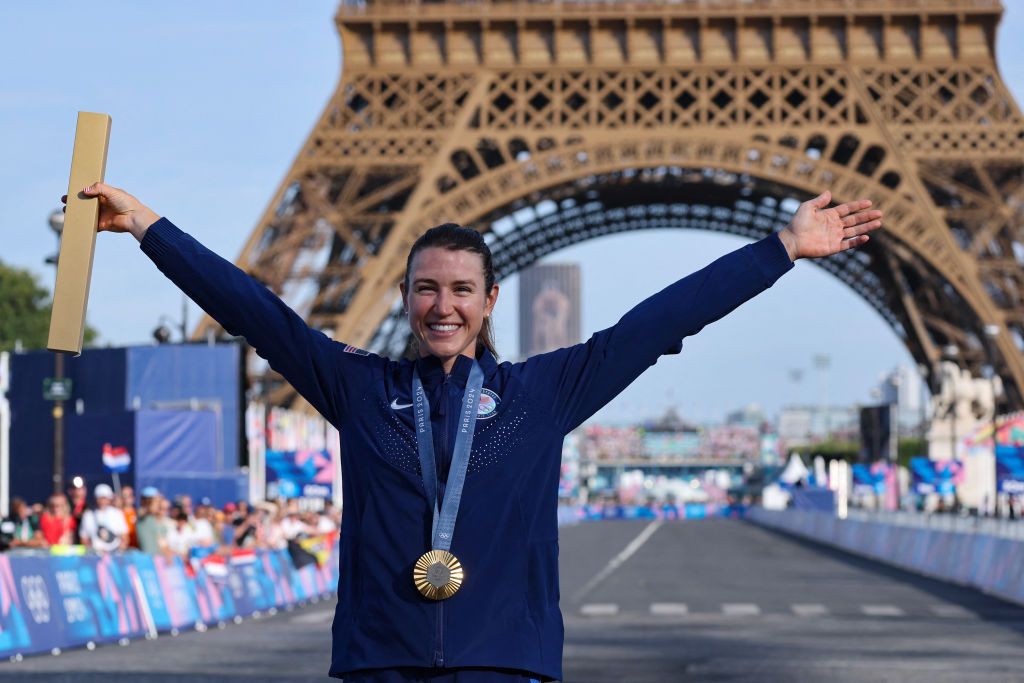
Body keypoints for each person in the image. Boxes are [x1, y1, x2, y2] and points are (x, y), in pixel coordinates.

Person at [67, 182, 880, 682]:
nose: (442, 305)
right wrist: (147, 226)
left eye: (461, 289)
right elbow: (254, 311)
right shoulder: (359, 387)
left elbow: (660, 321)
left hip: (504, 661)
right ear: (407, 295)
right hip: (380, 659)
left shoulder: (544, 393)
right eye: (426, 289)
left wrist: (781, 249)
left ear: (491, 300)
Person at [79, 483, 129, 554]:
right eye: (100, 498)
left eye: (105, 498)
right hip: (95, 556)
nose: (102, 501)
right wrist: (92, 551)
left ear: (109, 499)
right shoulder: (88, 515)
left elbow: (124, 537)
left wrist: (119, 551)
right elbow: (84, 538)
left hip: (115, 555)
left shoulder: (117, 514)